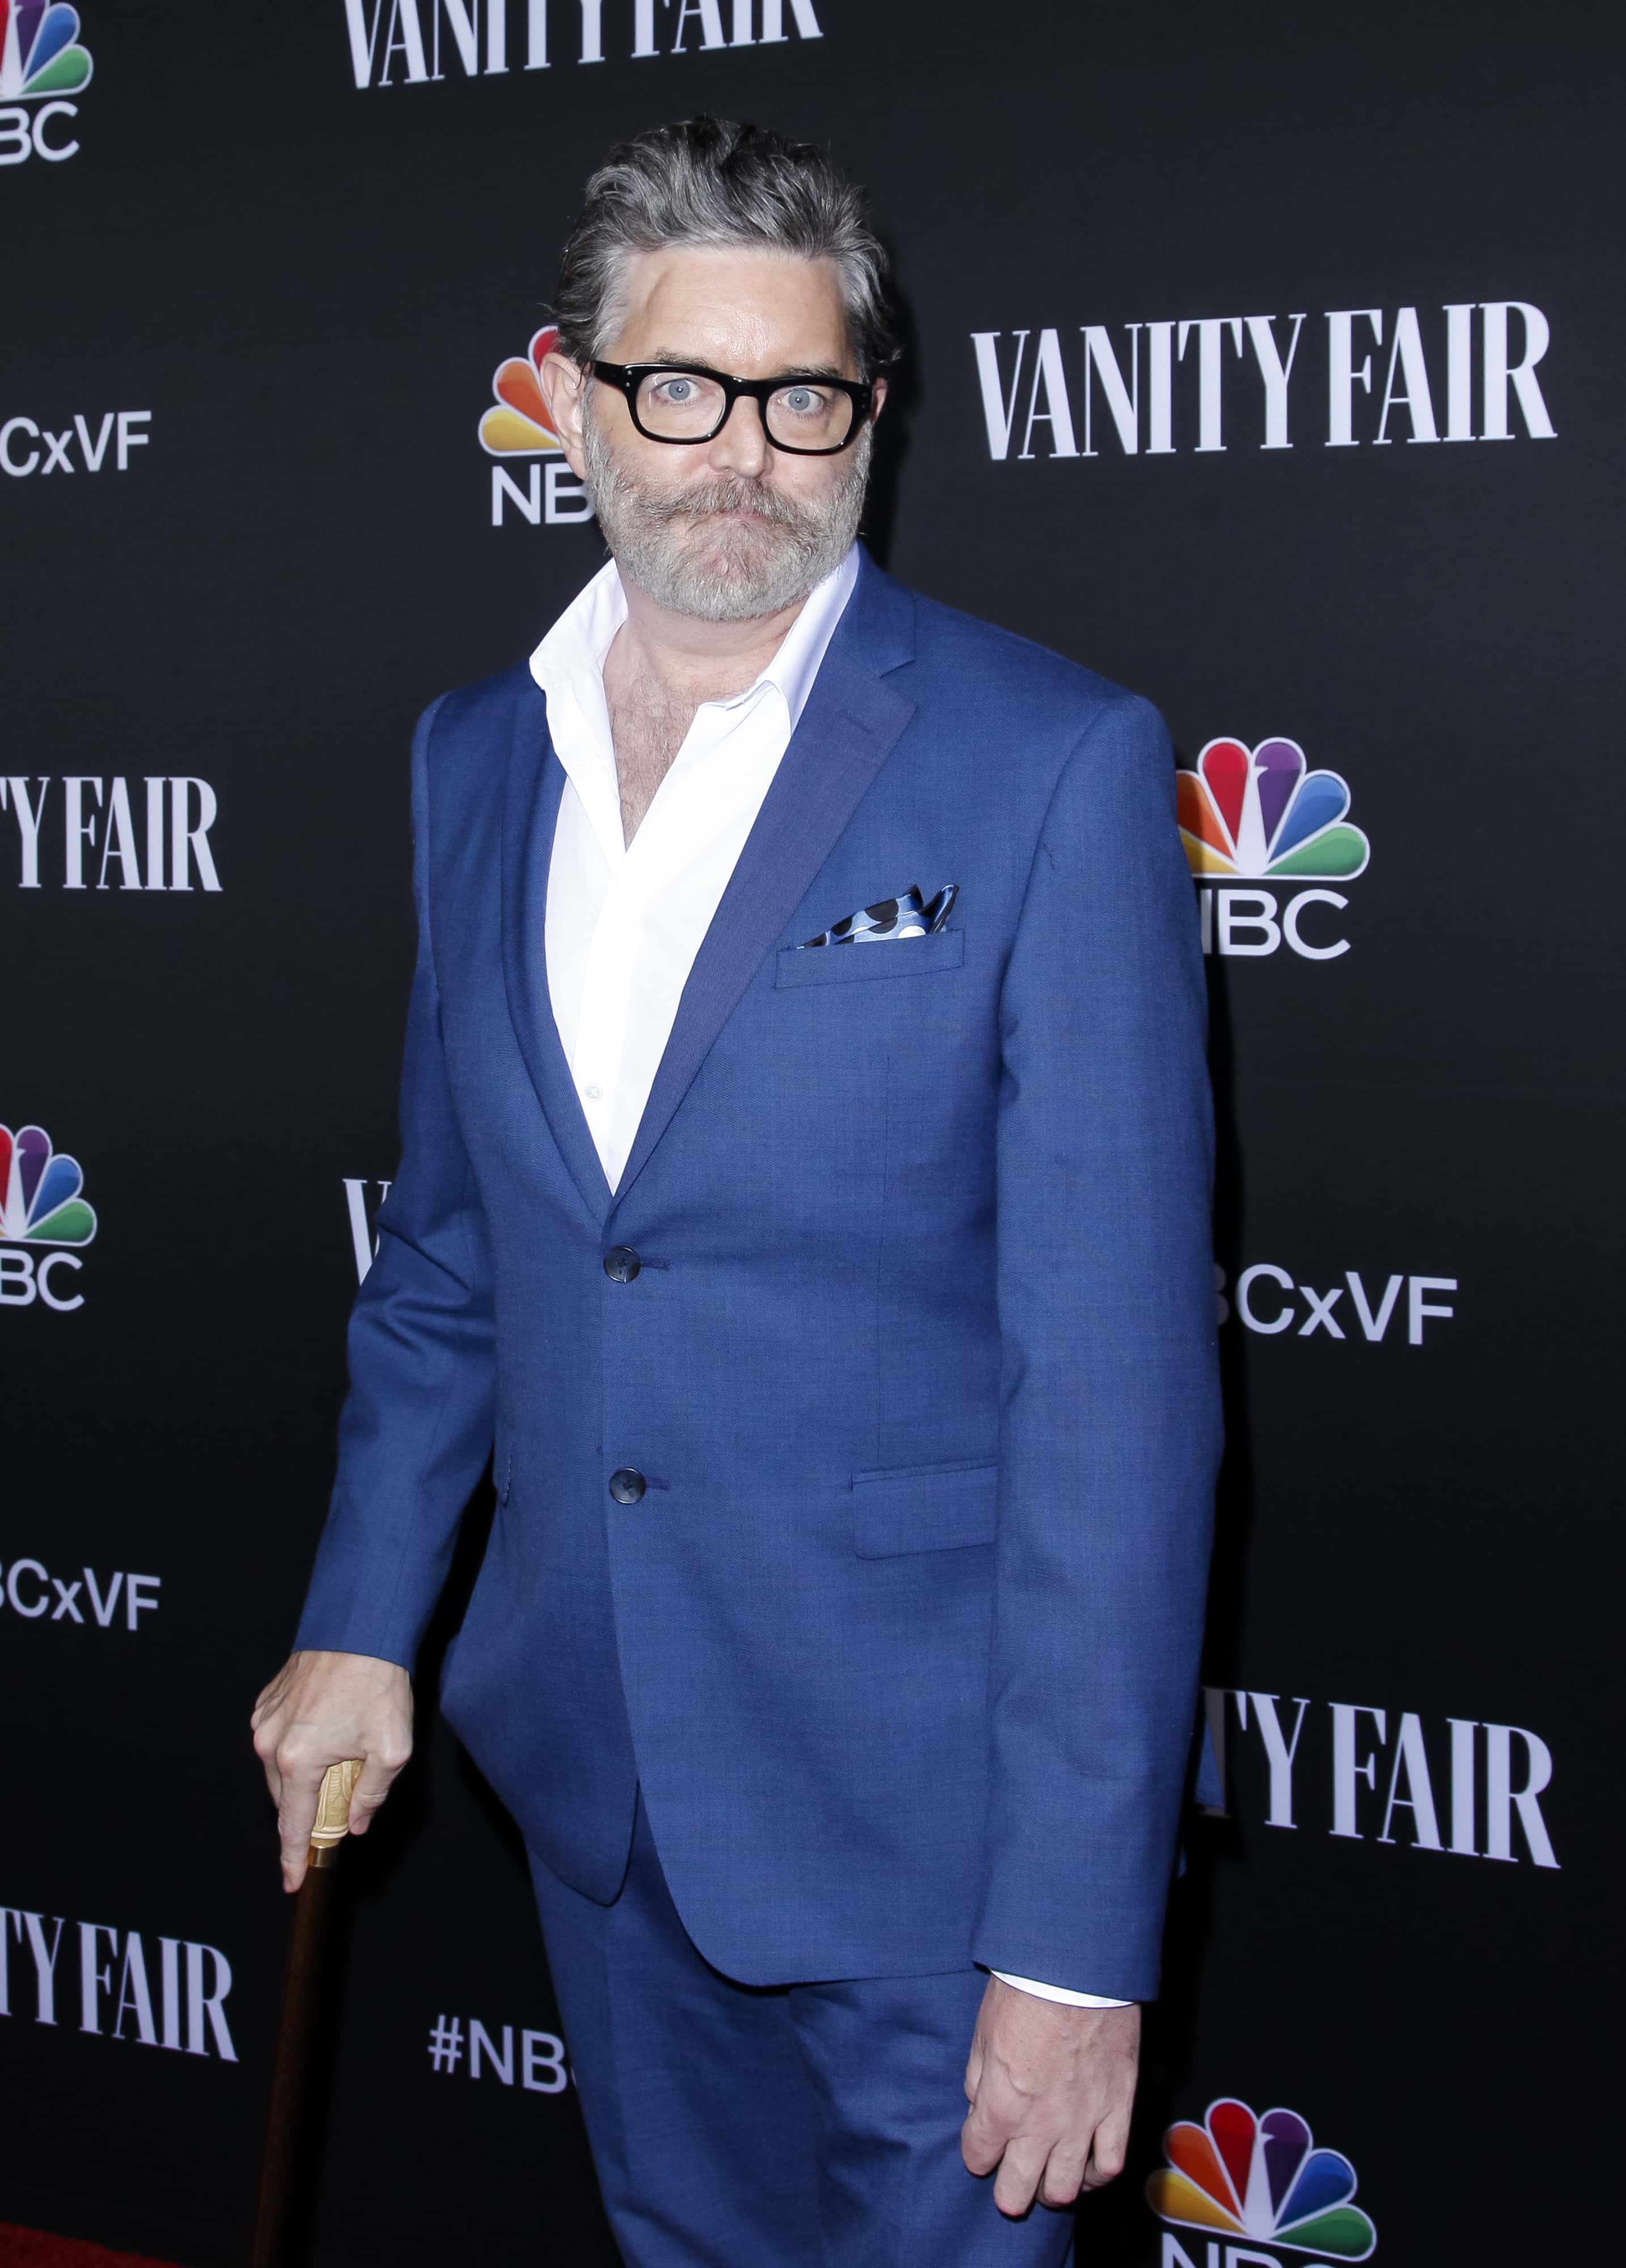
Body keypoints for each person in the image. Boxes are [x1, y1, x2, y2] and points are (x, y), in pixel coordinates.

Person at [252, 116, 1220, 2268]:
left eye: (803, 399)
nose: (742, 457)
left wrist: (1072, 1944)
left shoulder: (1046, 760)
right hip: (591, 1788)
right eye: (680, 388)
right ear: (571, 398)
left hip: (933, 1838)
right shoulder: (473, 757)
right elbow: (453, 1263)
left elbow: (1117, 1402)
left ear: (870, 411)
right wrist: (361, 1615)